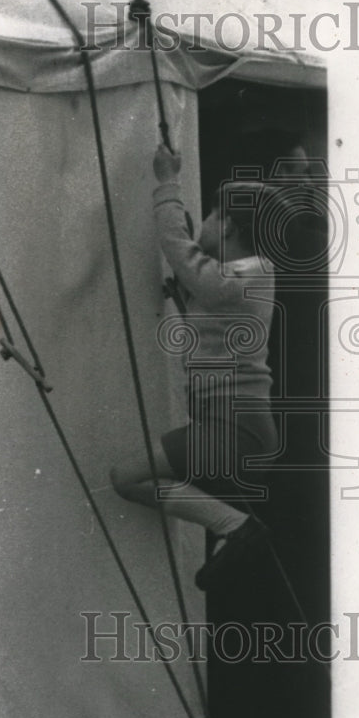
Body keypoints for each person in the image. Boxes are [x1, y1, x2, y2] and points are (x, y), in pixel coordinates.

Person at [110, 144, 278, 591]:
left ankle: (236, 528)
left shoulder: (238, 280)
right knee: (134, 477)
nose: (202, 223)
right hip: (237, 429)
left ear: (227, 226)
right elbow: (214, 331)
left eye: (210, 215)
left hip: (234, 430)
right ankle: (234, 527)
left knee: (127, 476)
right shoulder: (243, 279)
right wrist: (186, 298)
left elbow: (179, 251)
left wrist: (167, 182)